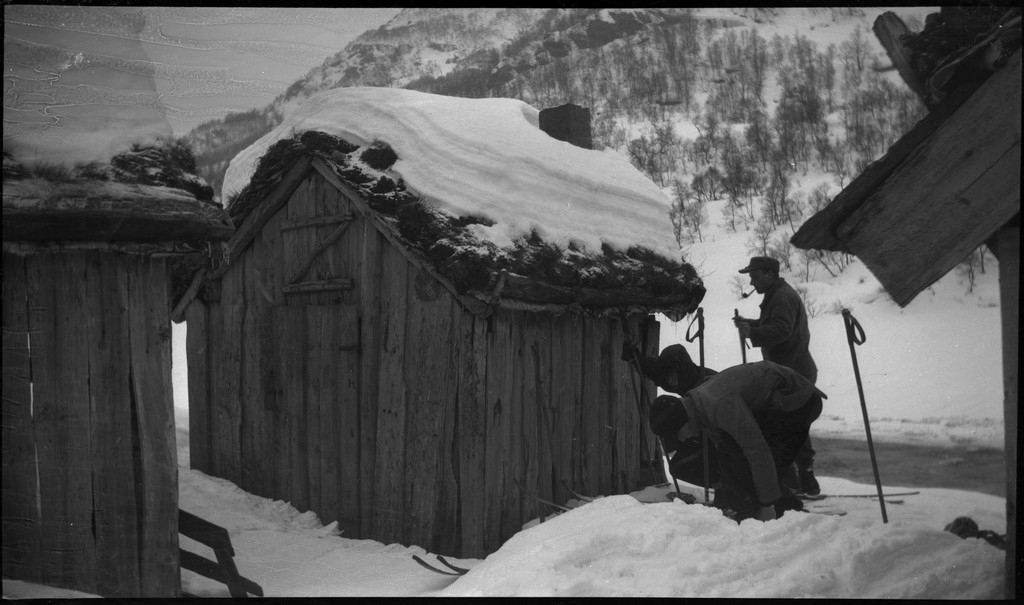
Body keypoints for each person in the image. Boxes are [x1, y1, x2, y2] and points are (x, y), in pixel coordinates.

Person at [649, 360, 827, 521]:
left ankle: (779, 512)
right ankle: (754, 510)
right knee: (732, 453)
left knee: (766, 459)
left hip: (798, 401)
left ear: (683, 423)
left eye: (677, 435)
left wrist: (766, 504)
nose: (681, 440)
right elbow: (723, 450)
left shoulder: (719, 405)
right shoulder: (699, 406)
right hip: (774, 401)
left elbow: (757, 450)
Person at [733, 256, 821, 496]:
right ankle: (803, 480)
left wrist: (753, 332)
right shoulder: (777, 294)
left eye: (754, 275)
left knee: (790, 426)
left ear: (768, 274)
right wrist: (750, 324)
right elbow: (772, 323)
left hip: (793, 374)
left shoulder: (781, 297)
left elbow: (782, 329)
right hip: (790, 372)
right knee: (794, 424)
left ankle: (795, 481)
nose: (751, 280)